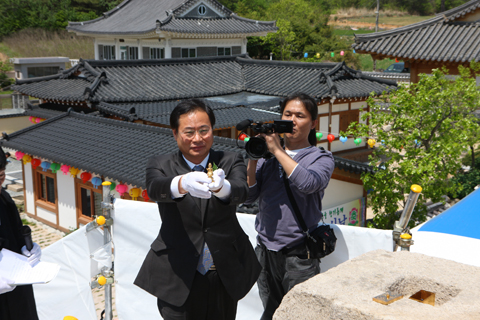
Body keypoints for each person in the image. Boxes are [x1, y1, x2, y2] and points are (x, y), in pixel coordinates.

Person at [134, 99, 261, 320]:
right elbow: (155, 189)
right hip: (178, 274)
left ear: (212, 129)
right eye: (189, 132)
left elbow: (242, 191)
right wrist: (182, 183)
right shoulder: (160, 163)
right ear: (175, 134)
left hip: (223, 271)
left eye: (204, 130)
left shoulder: (230, 159)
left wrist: (223, 187)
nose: (197, 139)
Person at [245, 92, 335, 319]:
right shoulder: (266, 157)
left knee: (299, 315)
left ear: (313, 123)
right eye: (288, 114)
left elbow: (308, 183)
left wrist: (277, 150)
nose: (292, 120)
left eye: (300, 115)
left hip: (299, 256)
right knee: (271, 313)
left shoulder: (320, 158)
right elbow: (248, 196)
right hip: (265, 253)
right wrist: (254, 156)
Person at [0, 147, 42, 320]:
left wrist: (28, 249)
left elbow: (18, 234)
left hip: (17, 291)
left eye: (1, 176)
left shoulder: (5, 200)